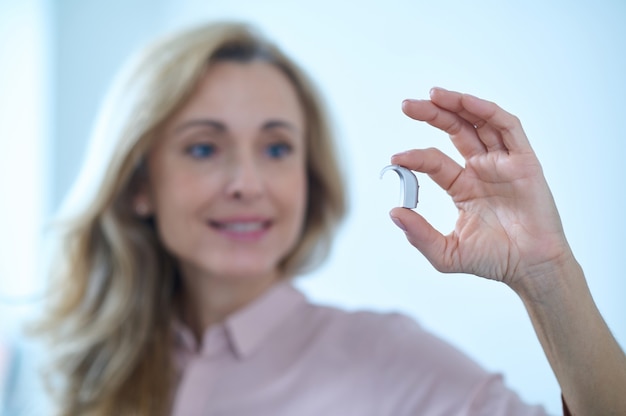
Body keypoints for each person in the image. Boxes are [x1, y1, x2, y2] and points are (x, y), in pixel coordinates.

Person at [34, 21, 626, 416]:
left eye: (276, 148)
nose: (247, 183)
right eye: (203, 148)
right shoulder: (51, 363)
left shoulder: (392, 361)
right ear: (138, 184)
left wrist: (547, 275)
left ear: (308, 177)